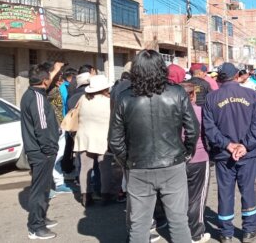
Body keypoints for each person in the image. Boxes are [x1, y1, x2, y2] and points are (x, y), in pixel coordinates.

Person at [109, 50, 199, 243]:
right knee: (178, 222)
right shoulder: (177, 93)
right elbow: (192, 130)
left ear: (136, 69)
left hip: (138, 168)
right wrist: (186, 154)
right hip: (173, 164)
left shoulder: (124, 98)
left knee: (139, 225)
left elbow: (115, 141)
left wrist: (127, 161)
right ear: (161, 68)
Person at [204, 63, 256, 243]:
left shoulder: (211, 98)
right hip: (247, 155)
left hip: (224, 155)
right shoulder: (251, 95)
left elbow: (209, 127)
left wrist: (227, 145)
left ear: (220, 77)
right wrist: (244, 146)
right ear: (237, 75)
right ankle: (249, 230)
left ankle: (226, 233)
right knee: (248, 191)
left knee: (225, 192)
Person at [20, 60, 64, 240]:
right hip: (41, 152)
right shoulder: (37, 98)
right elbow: (42, 127)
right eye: (50, 77)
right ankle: (35, 227)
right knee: (38, 190)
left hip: (40, 151)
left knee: (43, 188)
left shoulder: (33, 93)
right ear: (45, 81)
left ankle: (41, 218)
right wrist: (49, 149)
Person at [73, 75, 114, 207]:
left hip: (84, 137)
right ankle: (105, 196)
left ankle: (86, 197)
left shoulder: (83, 99)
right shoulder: (109, 101)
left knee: (85, 168)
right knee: (105, 169)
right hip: (103, 139)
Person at [179, 82, 212, 243]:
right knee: (197, 197)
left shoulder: (171, 112)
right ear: (192, 95)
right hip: (199, 157)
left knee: (180, 197)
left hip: (178, 160)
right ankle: (196, 234)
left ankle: (180, 229)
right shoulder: (200, 111)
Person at [46, 69, 75, 195]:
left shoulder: (57, 89)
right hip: (54, 127)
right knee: (54, 157)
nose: (60, 79)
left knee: (59, 155)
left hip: (60, 125)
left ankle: (59, 183)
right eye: (58, 77)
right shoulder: (51, 91)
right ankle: (49, 186)